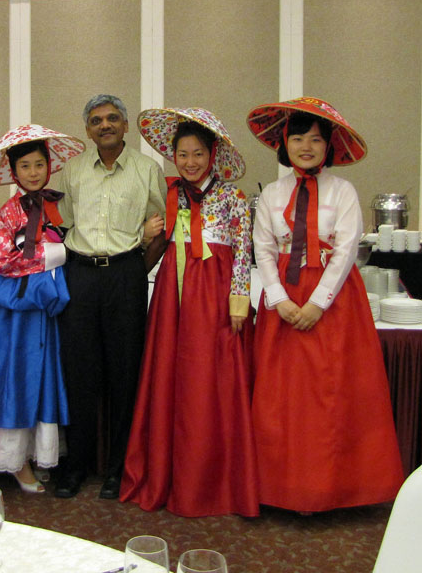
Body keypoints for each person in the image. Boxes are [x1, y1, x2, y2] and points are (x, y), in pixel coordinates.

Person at [248, 97, 404, 512]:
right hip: (283, 299)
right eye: (297, 138)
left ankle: (338, 490)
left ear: (328, 146)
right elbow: (263, 249)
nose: (306, 146)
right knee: (281, 398)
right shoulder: (272, 194)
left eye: (315, 139)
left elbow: (347, 249)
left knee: (332, 396)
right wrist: (279, 299)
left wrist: (317, 304)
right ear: (284, 143)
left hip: (334, 305)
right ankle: (278, 489)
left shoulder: (344, 191)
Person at [119, 108, 259, 517]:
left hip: (213, 294)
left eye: (198, 153)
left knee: (210, 381)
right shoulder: (171, 193)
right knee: (169, 376)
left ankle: (211, 479)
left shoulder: (232, 196)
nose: (191, 162)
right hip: (172, 294)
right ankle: (165, 473)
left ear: (212, 155)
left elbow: (242, 254)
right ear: (173, 156)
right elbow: (157, 241)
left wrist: (239, 301)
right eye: (183, 154)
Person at [55, 94, 168, 499]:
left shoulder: (146, 170)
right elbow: (63, 225)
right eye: (97, 120)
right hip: (80, 276)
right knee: (79, 374)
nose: (105, 125)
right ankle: (77, 465)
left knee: (125, 375)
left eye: (113, 118)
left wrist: (138, 269)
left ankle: (120, 468)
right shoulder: (72, 171)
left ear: (125, 126)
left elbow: (161, 229)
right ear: (87, 129)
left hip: (125, 276)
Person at [0, 124, 84, 492]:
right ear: (13, 173)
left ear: (48, 167)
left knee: (42, 373)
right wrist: (59, 253)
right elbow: (5, 261)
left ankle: (35, 453)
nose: (32, 173)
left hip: (45, 309)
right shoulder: (7, 213)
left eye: (38, 165)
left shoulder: (59, 205)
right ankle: (13, 462)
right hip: (12, 311)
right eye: (25, 167)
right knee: (14, 374)